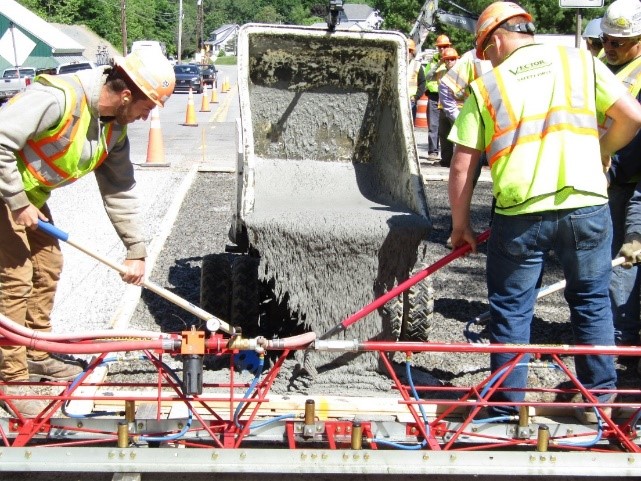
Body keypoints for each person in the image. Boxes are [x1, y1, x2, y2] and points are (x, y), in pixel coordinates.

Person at [447, 1, 641, 422]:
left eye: (484, 52)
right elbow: (631, 116)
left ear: (496, 40)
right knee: (591, 302)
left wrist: (460, 225)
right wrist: (601, 152)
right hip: (587, 205)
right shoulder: (580, 64)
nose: (486, 60)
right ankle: (597, 402)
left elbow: (463, 163)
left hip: (521, 215)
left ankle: (507, 408)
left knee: (512, 309)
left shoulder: (486, 88)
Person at [0, 49, 175, 417]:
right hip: (7, 193)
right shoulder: (58, 98)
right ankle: (11, 381)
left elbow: (119, 189)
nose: (147, 116)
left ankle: (36, 355)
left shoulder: (114, 127)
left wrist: (136, 250)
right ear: (126, 94)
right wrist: (16, 201)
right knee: (16, 279)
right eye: (147, 106)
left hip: (27, 197)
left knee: (47, 266)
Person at [599, 0, 641, 348]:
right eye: (606, 40)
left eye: (619, 42)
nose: (610, 47)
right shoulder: (600, 66)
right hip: (605, 174)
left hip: (628, 178)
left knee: (626, 256)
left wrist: (612, 173)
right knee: (610, 254)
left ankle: (620, 336)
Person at [424, 34, 451, 159]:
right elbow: (428, 76)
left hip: (448, 97)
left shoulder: (452, 58)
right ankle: (433, 151)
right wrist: (438, 64)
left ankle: (448, 154)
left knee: (447, 127)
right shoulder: (434, 60)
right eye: (440, 47)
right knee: (433, 125)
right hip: (434, 96)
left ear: (448, 46)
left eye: (444, 46)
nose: (442, 49)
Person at [437, 47, 460, 168]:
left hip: (458, 108)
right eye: (447, 59)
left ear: (457, 60)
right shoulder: (441, 72)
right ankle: (446, 160)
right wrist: (438, 64)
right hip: (443, 108)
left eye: (452, 59)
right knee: (443, 134)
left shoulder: (461, 72)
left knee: (457, 135)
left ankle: (457, 162)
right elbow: (429, 77)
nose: (450, 61)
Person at [407, 38, 426, 123]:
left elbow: (422, 83)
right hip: (398, 99)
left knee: (409, 125)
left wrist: (416, 97)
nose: (408, 53)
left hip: (410, 100)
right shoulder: (396, 64)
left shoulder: (417, 65)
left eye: (409, 51)